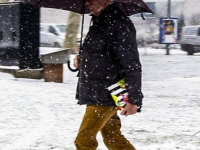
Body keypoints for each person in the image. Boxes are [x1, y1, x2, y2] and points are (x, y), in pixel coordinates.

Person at [73, 0, 143, 149]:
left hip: (106, 93)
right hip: (97, 91)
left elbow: (132, 64)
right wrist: (83, 60)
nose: (88, 2)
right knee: (113, 139)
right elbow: (102, 56)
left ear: (106, 0)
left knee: (84, 140)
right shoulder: (98, 23)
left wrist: (134, 99)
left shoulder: (120, 24)